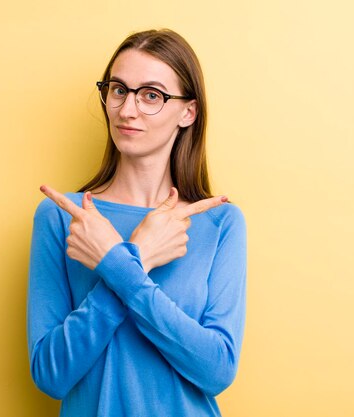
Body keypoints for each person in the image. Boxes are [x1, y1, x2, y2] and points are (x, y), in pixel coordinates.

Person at [27, 29, 247, 417]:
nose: (127, 110)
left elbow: (217, 371)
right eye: (118, 89)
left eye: (151, 95)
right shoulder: (65, 217)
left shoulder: (219, 222)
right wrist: (139, 256)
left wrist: (116, 263)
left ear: (188, 112)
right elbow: (50, 374)